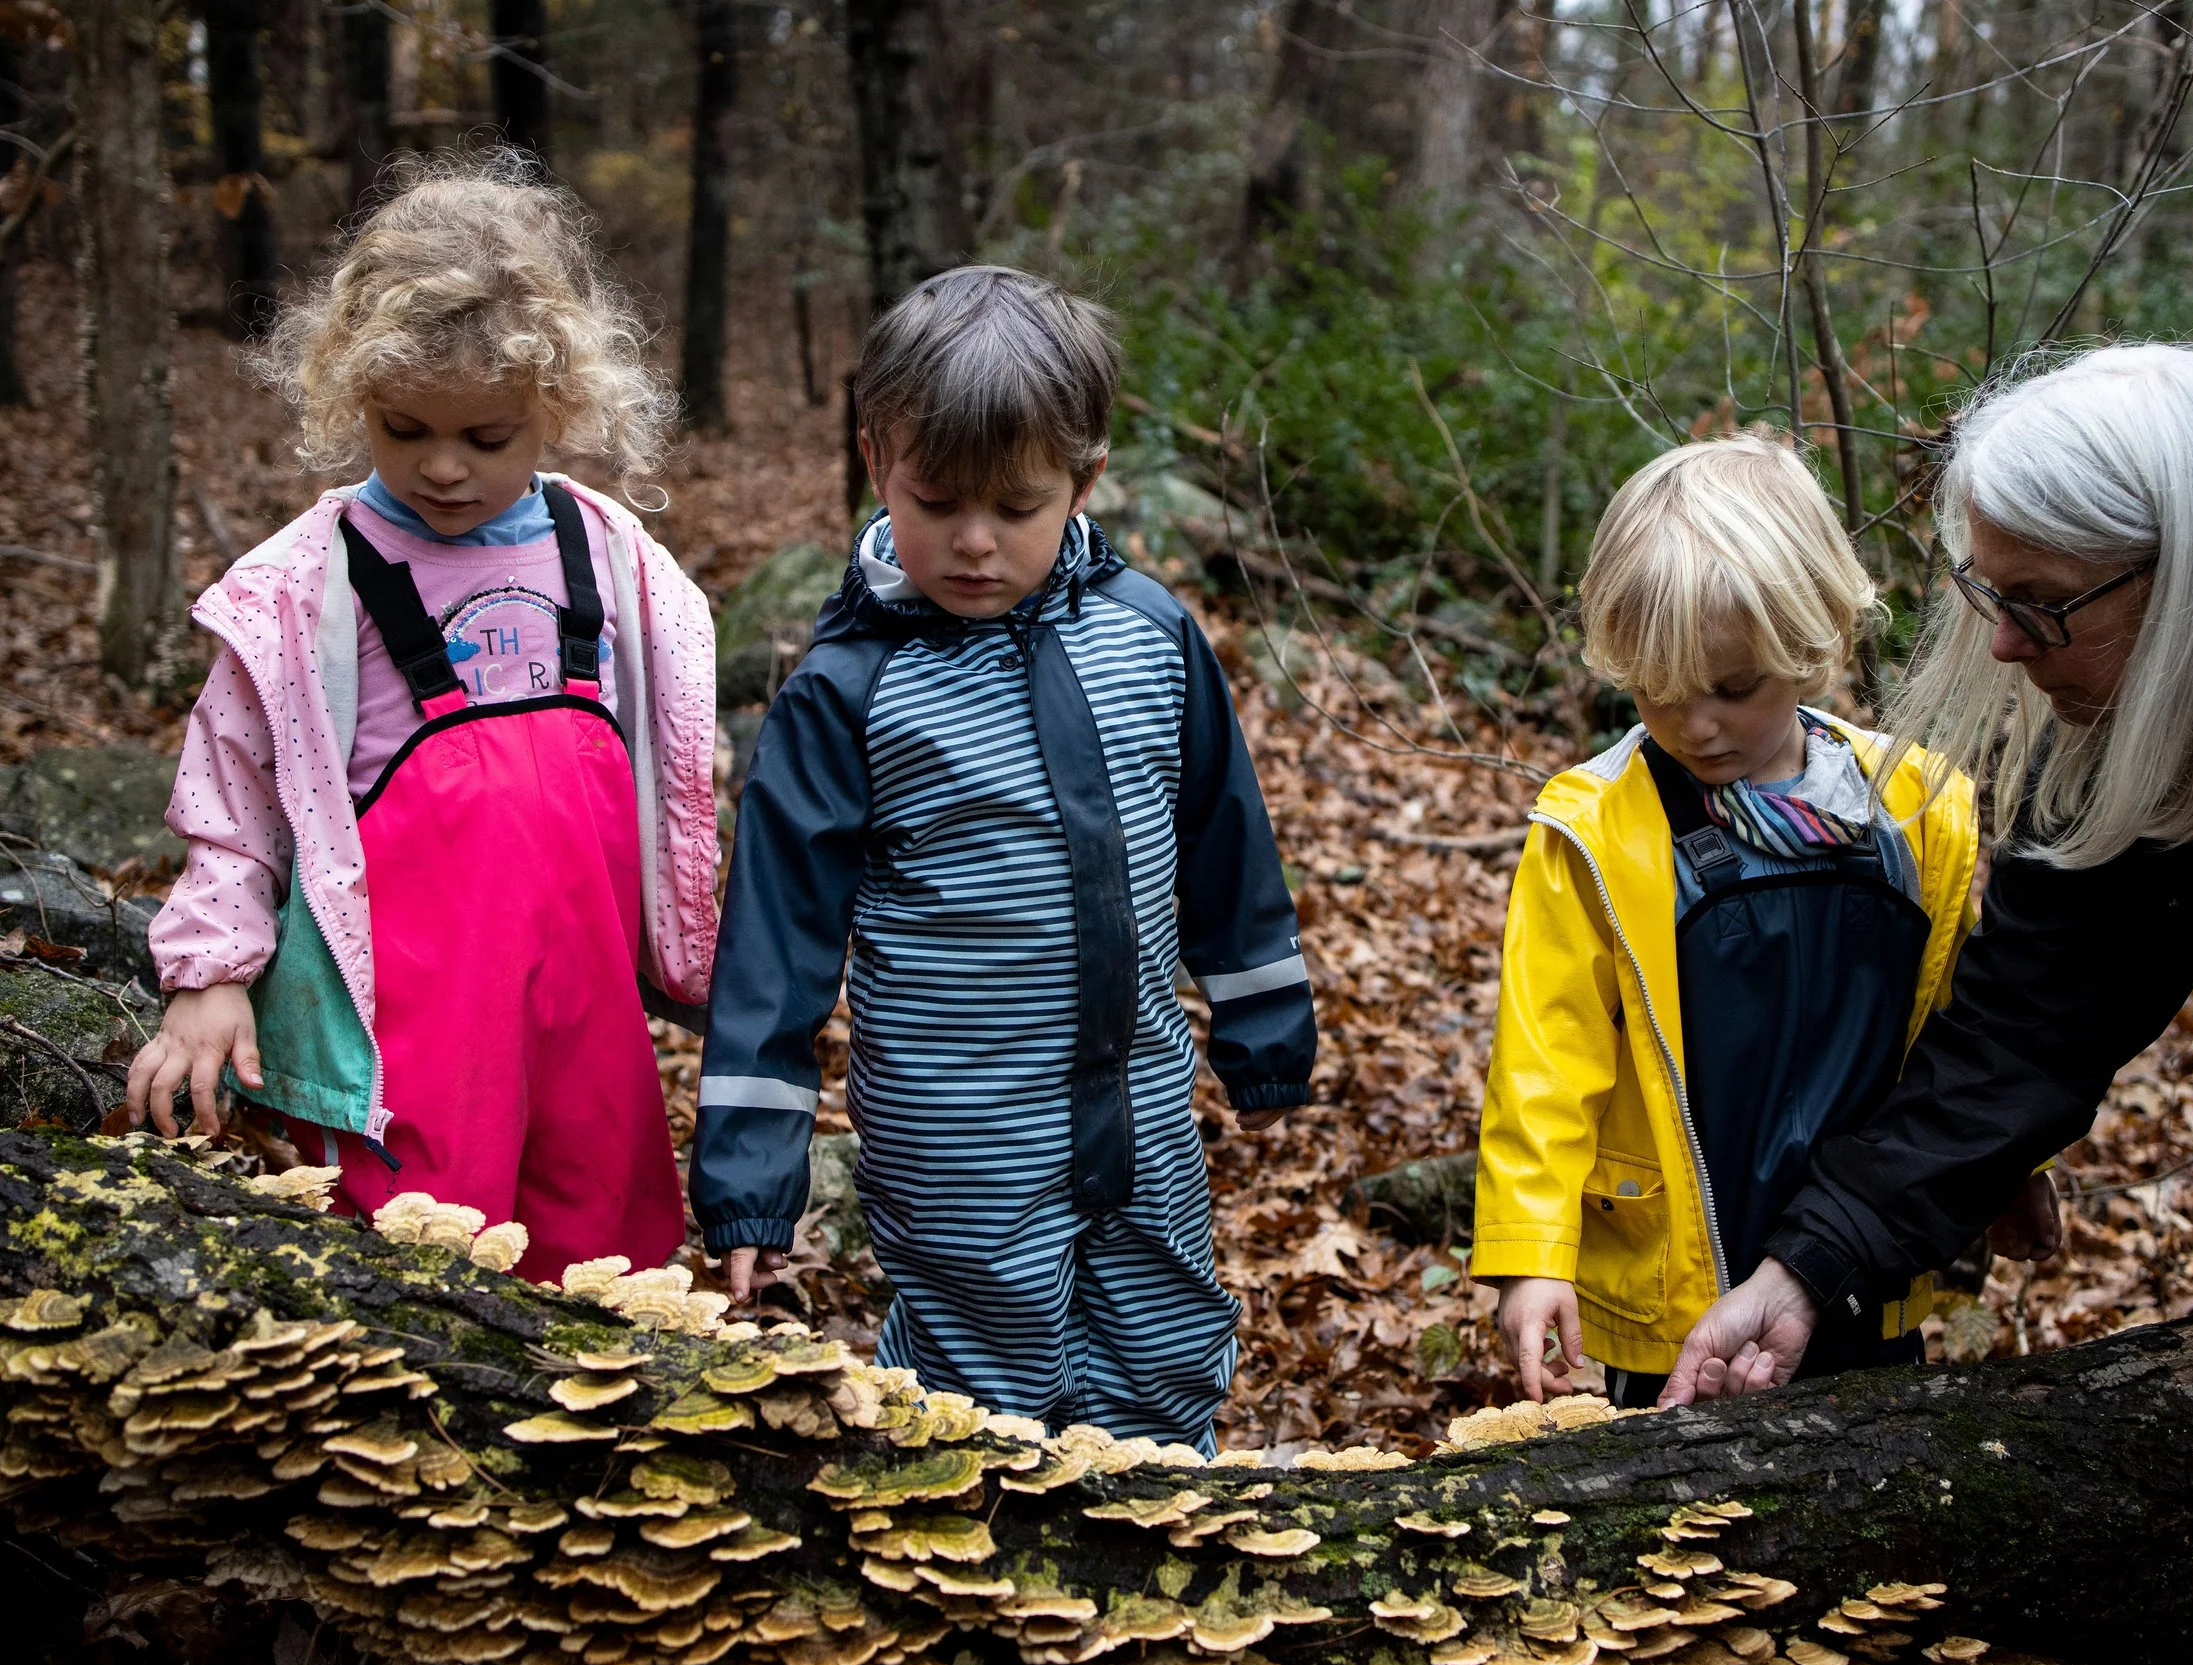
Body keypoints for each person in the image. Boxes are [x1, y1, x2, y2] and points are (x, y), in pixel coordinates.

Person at [1665, 342, 2193, 1505]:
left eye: (2043, 603)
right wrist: (1811, 1263)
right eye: (1992, 597)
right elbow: (2030, 1015)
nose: (2005, 644)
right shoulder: (2146, 681)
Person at [689, 265, 1315, 1453]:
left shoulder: (1150, 632)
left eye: (1016, 508)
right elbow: (775, 947)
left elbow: (1223, 834)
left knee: (1161, 1330)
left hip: (1135, 1096)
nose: (974, 544)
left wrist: (1264, 1024)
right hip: (954, 1122)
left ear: (1085, 478)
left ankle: (1162, 1552)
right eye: (937, 502)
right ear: (878, 461)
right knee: (978, 1377)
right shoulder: (847, 690)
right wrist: (749, 1178)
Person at [124, 152, 718, 1283]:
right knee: (415, 1261)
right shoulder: (310, 586)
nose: (442, 467)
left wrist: (695, 948)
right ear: (350, 393)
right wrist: (208, 974)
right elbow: (230, 799)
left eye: (485, 438)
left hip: (587, 1005)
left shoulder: (614, 561)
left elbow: (675, 779)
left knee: (612, 1260)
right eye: (404, 430)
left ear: (555, 407)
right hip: (408, 1024)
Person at [1473, 434, 1981, 1407]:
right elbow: (1544, 1058)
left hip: (1863, 1266)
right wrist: (1529, 1250)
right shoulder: (1595, 827)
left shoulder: (1914, 808)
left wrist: (2011, 1169)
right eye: (1658, 690)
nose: (1695, 723)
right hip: (1673, 1281)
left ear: (1815, 638)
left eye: (1732, 687)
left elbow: (1964, 1030)